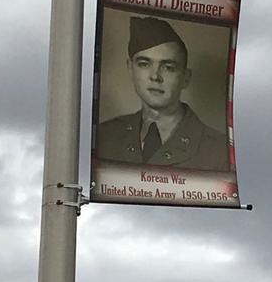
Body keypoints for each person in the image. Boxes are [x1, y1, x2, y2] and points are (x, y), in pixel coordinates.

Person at [96, 16, 230, 171]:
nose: (155, 76)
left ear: (186, 78)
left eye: (168, 67)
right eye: (144, 64)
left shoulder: (218, 151)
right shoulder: (106, 136)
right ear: (130, 69)